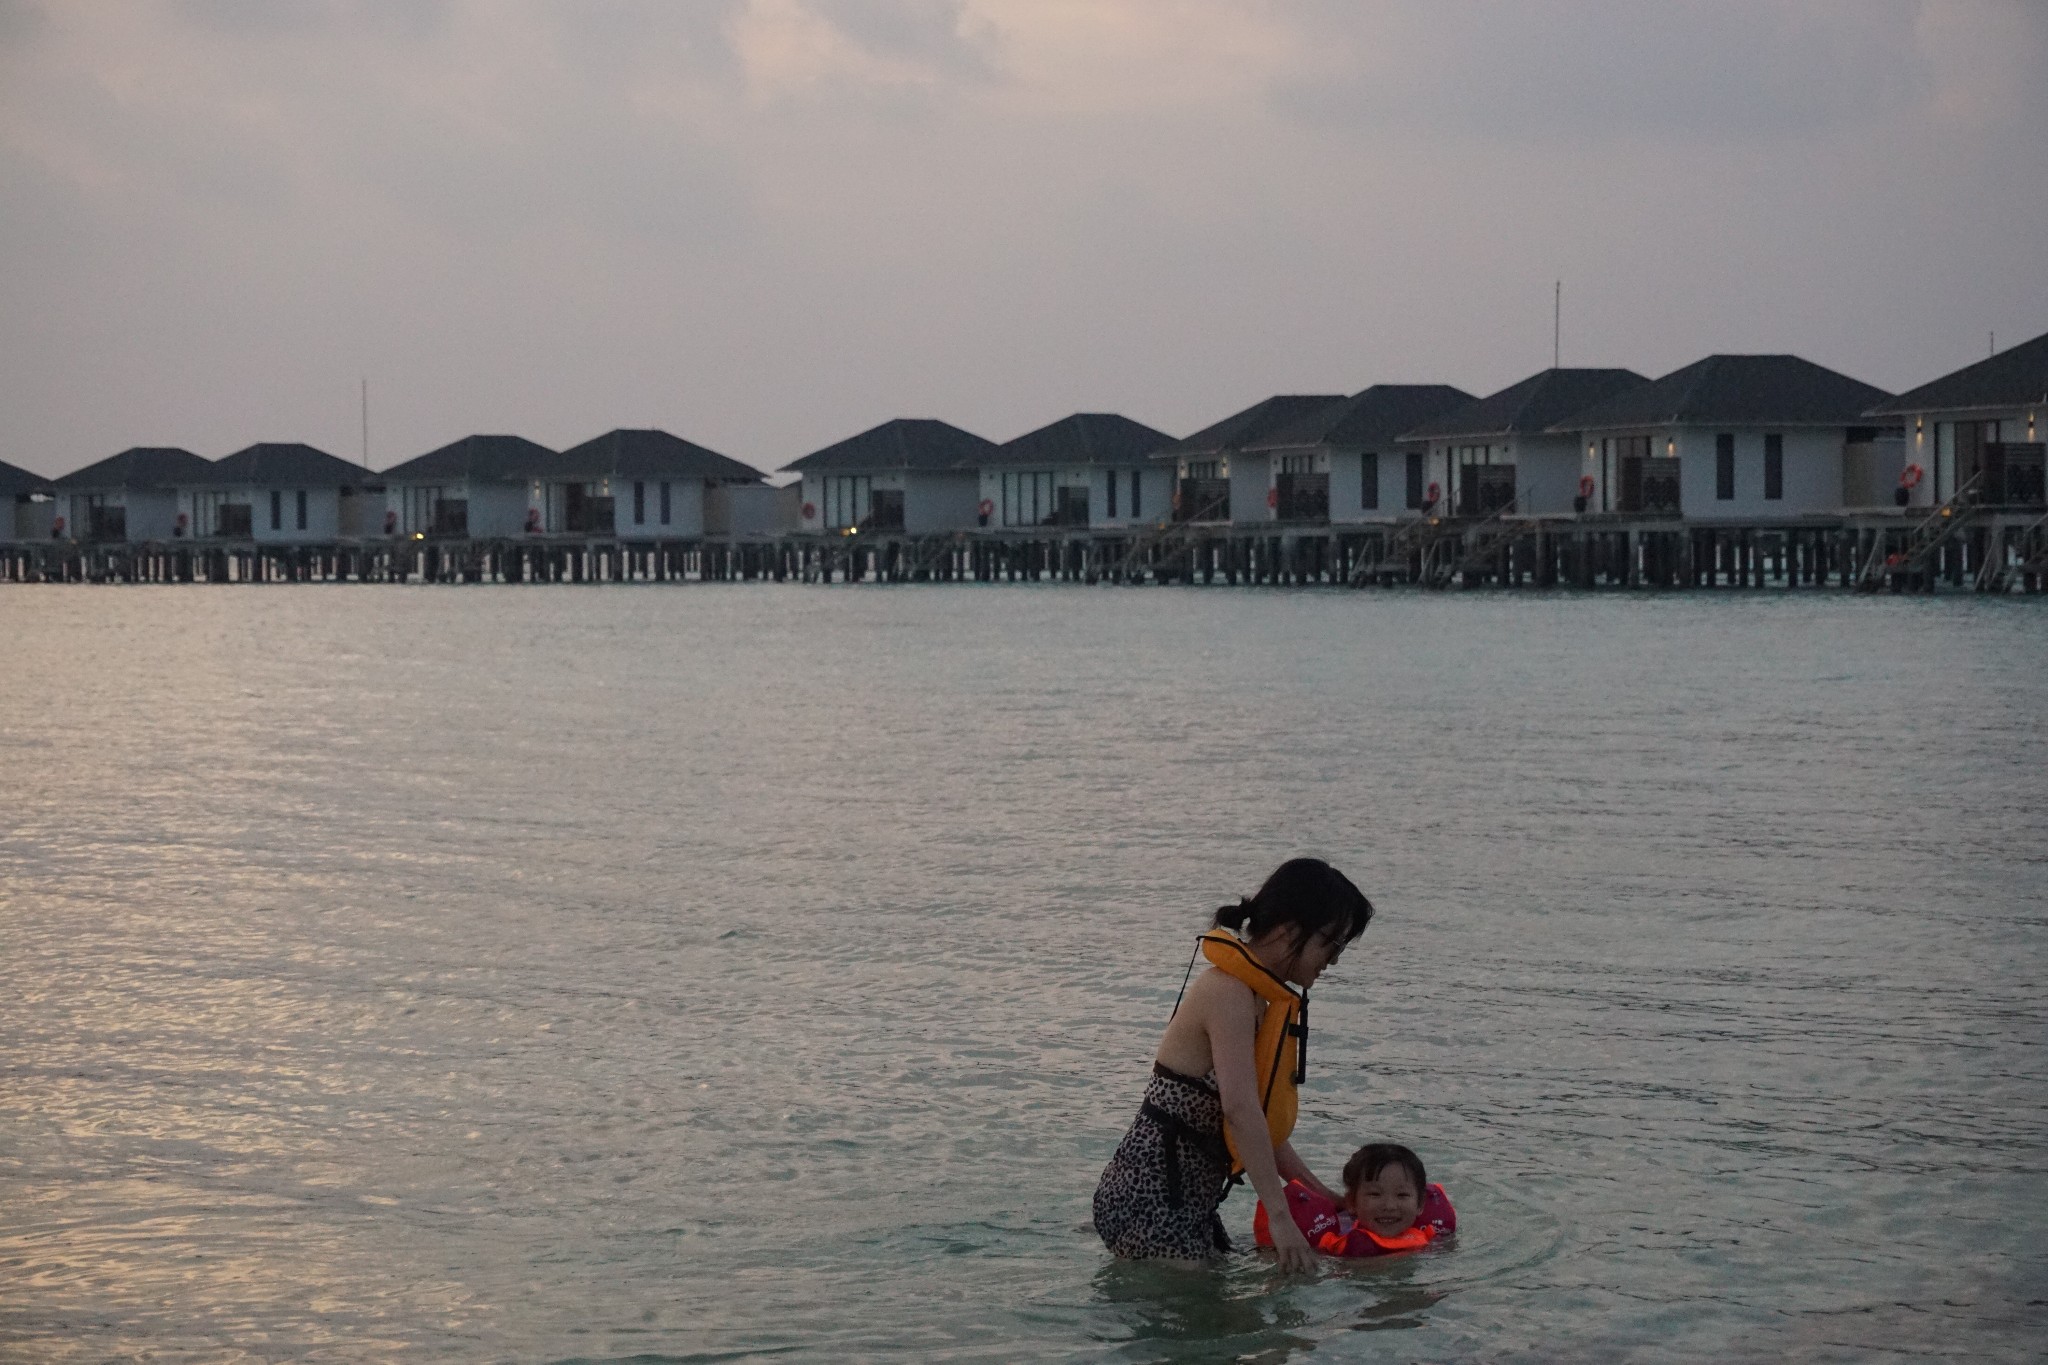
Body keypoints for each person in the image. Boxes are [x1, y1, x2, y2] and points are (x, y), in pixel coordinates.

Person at [1092, 858, 1374, 1272]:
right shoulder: (1229, 993)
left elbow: (1261, 1125)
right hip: (1149, 1199)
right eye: (1332, 943)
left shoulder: (1258, 998)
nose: (1333, 961)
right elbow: (1240, 1111)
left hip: (1188, 1201)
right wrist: (1280, 1218)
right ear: (1289, 929)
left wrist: (1324, 1197)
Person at [1252, 1141, 1457, 1259]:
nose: (1389, 1206)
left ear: (1420, 1204)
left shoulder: (1433, 1237)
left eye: (1402, 1195)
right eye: (1375, 1194)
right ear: (1351, 1203)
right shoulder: (1344, 1247)